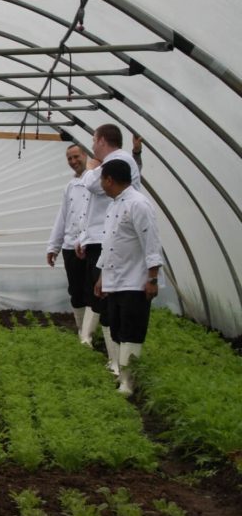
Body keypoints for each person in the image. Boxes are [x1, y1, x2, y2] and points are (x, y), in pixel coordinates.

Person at [75, 124, 141, 374]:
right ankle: (113, 359)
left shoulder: (117, 160)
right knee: (103, 298)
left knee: (107, 300)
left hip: (110, 240)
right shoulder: (119, 160)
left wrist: (91, 167)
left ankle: (117, 363)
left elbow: (91, 185)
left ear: (102, 140)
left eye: (93, 140)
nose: (92, 147)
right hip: (100, 237)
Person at [93, 159, 162, 395]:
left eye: (102, 179)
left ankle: (128, 383)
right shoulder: (114, 205)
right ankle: (123, 377)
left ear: (109, 180)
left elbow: (151, 243)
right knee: (118, 329)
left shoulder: (138, 204)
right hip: (116, 281)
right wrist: (102, 277)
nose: (101, 184)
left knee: (132, 330)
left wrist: (152, 279)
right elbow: (110, 244)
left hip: (135, 281)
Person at [46, 144, 93, 343]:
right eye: (69, 159)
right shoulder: (70, 186)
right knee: (75, 290)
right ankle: (82, 330)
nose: (73, 162)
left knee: (92, 290)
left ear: (85, 155)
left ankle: (88, 334)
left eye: (76, 157)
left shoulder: (97, 181)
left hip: (90, 246)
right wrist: (53, 246)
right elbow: (62, 217)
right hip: (69, 246)